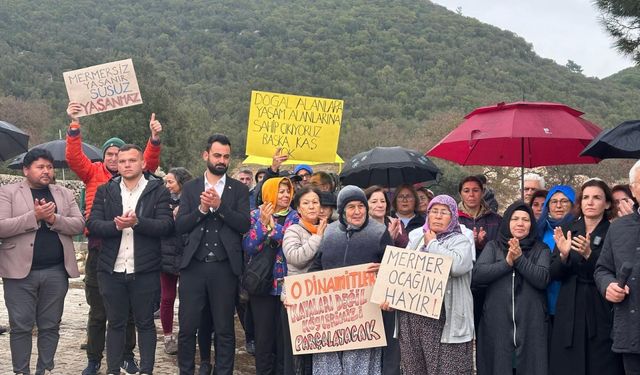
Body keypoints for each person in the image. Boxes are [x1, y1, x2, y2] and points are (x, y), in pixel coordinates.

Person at [66, 102, 162, 375]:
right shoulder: (93, 173)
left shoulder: (142, 178)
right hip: (101, 250)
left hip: (136, 254)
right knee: (99, 312)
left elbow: (150, 162)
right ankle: (95, 359)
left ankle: (128, 356)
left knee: (131, 314)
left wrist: (154, 139)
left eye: (120, 155)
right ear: (105, 158)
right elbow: (74, 158)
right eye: (110, 154)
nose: (115, 159)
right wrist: (74, 125)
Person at [87, 144, 173, 375]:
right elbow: (92, 224)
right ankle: (113, 370)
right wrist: (115, 225)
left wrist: (138, 223)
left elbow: (166, 225)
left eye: (132, 160)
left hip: (145, 269)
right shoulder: (106, 190)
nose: (126, 164)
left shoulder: (158, 191)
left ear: (143, 163)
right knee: (114, 323)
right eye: (122, 161)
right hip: (111, 269)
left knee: (145, 323)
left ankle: (146, 370)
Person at [0, 148, 85, 375]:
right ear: (26, 170)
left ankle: (44, 369)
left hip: (56, 272)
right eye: (40, 167)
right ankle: (21, 371)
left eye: (49, 167)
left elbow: (78, 225)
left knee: (50, 325)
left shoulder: (64, 194)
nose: (46, 171)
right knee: (21, 326)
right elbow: (2, 227)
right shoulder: (7, 192)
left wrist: (53, 218)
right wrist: (34, 217)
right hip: (19, 273)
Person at [175, 134, 250, 375]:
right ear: (206, 155)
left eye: (226, 156)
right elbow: (181, 226)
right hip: (193, 267)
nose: (222, 160)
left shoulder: (238, 189)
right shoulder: (190, 188)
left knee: (225, 328)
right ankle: (186, 371)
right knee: (187, 328)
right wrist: (201, 209)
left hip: (224, 267)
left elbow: (244, 225)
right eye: (217, 155)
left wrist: (220, 207)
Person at [310, 186, 393, 375]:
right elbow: (316, 268)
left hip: (365, 318)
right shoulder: (329, 233)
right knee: (328, 367)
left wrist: (385, 272)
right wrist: (294, 295)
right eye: (351, 207)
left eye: (361, 206)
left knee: (359, 368)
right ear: (342, 210)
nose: (357, 211)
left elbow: (392, 270)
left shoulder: (379, 232)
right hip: (330, 316)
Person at [549, 179, 623, 374]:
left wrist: (590, 255)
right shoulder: (568, 230)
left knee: (600, 363)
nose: (590, 202)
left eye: (597, 197)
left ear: (607, 204)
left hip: (599, 307)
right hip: (569, 308)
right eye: (586, 198)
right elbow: (554, 273)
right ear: (580, 203)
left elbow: (614, 271)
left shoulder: (614, 231)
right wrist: (564, 256)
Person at [396, 195, 474, 374]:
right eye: (434, 211)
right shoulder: (416, 241)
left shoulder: (460, 241)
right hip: (412, 320)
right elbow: (402, 273)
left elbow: (456, 266)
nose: (438, 216)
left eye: (444, 212)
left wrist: (432, 243)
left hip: (443, 321)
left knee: (446, 369)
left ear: (453, 216)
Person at [473, 201, 550, 375]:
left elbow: (542, 278)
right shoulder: (494, 246)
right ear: (507, 221)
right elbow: (478, 274)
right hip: (496, 326)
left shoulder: (541, 249)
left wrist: (520, 259)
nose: (520, 223)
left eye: (525, 219)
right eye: (515, 219)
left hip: (531, 326)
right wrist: (507, 263)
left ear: (532, 224)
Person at [243, 177, 299, 374]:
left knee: (283, 339)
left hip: (286, 287)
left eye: (287, 191)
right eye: (280, 191)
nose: (285, 195)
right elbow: (249, 247)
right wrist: (262, 224)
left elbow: (288, 239)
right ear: (269, 193)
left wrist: (271, 227)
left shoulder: (295, 216)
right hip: (262, 285)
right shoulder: (254, 215)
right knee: (264, 338)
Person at [595, 159, 640, 375]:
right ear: (633, 190)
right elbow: (602, 269)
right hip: (631, 331)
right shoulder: (619, 227)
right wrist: (609, 285)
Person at [280, 186, 325, 375]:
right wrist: (317, 237)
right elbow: (295, 258)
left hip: (321, 300)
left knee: (317, 354)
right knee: (297, 357)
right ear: (298, 209)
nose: (312, 207)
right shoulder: (293, 231)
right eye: (306, 203)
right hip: (297, 300)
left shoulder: (330, 229)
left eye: (315, 202)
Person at [457, 175, 502, 329]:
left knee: (486, 328)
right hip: (461, 281)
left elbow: (500, 247)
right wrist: (471, 245)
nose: (471, 195)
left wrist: (483, 246)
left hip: (488, 281)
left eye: (475, 190)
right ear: (460, 194)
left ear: (482, 192)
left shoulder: (495, 219)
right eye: (467, 191)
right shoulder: (453, 220)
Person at [160, 167, 193, 355]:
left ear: (181, 182)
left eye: (170, 182)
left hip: (187, 255)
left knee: (188, 299)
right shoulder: (162, 202)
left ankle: (186, 335)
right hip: (166, 255)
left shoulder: (193, 201)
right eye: (166, 182)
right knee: (167, 298)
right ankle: (167, 336)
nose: (167, 186)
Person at [537, 185, 576, 322]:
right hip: (542, 297)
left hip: (569, 297)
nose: (558, 205)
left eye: (564, 201)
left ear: (573, 205)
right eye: (554, 202)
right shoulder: (539, 230)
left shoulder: (578, 229)